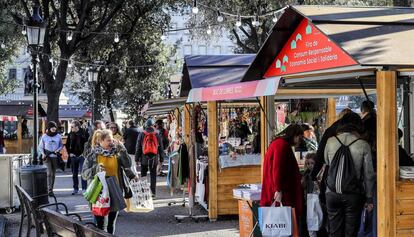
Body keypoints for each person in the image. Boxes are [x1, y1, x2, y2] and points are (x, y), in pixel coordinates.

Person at [324, 112, 375, 237]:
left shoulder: (330, 141)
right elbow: (369, 175)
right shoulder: (363, 145)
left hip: (332, 193)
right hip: (353, 194)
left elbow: (327, 162)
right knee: (351, 232)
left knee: (334, 232)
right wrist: (369, 197)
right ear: (358, 126)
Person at [82, 129, 138, 234]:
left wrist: (122, 149)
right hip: (98, 193)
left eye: (112, 140)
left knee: (111, 224)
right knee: (101, 225)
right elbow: (84, 174)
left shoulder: (116, 153)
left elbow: (127, 165)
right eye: (108, 140)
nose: (111, 143)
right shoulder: (93, 155)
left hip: (115, 190)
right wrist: (96, 169)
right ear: (100, 141)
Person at [260, 124, 304, 219]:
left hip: (278, 189)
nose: (300, 141)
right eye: (300, 138)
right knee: (283, 220)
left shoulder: (279, 144)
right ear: (294, 135)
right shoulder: (281, 145)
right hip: (280, 191)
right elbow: (277, 169)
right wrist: (278, 190)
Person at [135, 118, 165, 198]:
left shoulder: (142, 134)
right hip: (154, 158)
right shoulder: (157, 134)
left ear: (146, 125)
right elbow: (161, 148)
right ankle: (153, 193)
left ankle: (144, 193)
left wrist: (136, 159)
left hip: (144, 158)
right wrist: (162, 159)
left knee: (143, 175)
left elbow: (138, 147)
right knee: (153, 176)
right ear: (153, 125)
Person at [40, 121, 63, 195]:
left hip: (55, 156)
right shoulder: (44, 136)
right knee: (49, 173)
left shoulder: (58, 136)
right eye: (52, 127)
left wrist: (58, 150)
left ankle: (51, 189)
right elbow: (40, 147)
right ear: (49, 128)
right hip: (47, 156)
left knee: (53, 174)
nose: (54, 129)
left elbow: (61, 145)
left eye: (55, 127)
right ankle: (48, 189)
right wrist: (43, 154)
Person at [66, 121, 88, 195]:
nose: (71, 128)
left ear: (77, 127)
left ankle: (84, 189)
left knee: (83, 173)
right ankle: (75, 189)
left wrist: (84, 153)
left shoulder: (84, 133)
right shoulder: (70, 134)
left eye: (72, 126)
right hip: (73, 156)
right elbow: (67, 145)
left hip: (82, 156)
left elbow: (87, 144)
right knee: (74, 174)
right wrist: (70, 153)